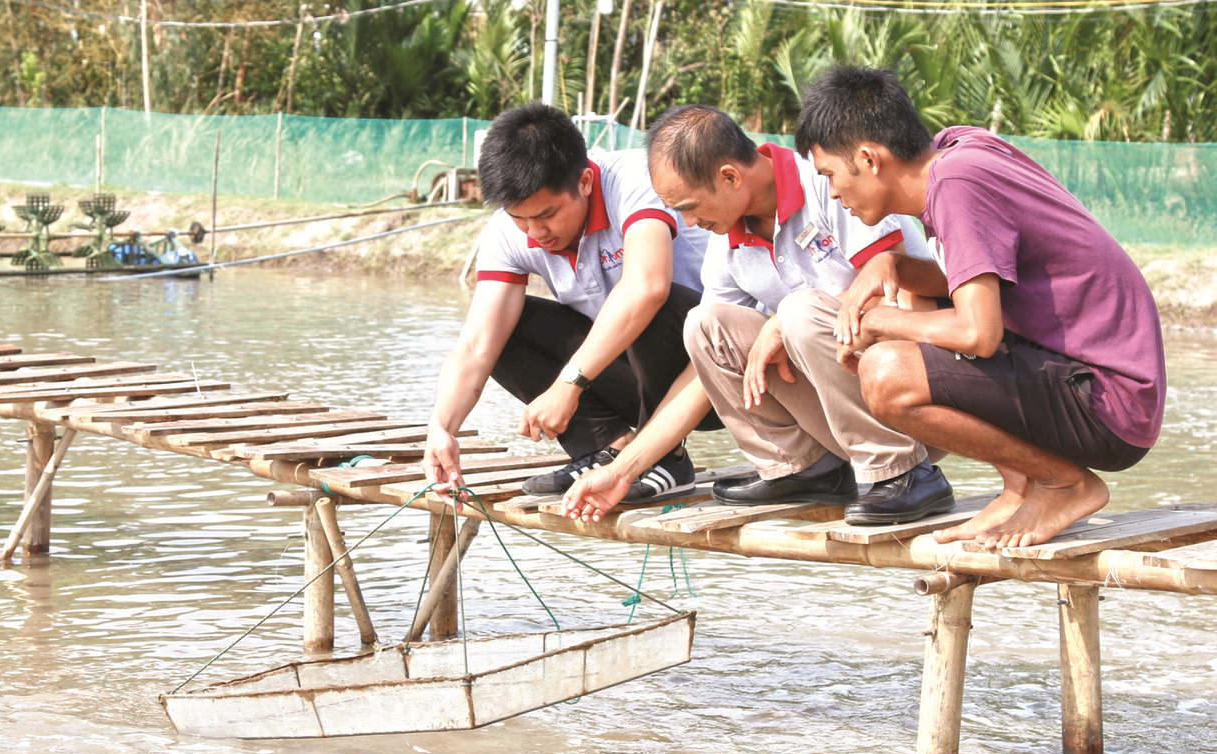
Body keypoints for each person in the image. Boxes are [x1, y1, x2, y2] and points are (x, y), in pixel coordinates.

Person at [794, 66, 1166, 549]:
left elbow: (978, 332)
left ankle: (1064, 483)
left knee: (887, 373)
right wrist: (895, 265)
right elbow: (982, 281)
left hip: (1111, 401)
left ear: (868, 158)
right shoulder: (958, 152)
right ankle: (1022, 485)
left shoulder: (955, 184)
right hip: (1102, 385)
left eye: (830, 175)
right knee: (894, 355)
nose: (834, 193)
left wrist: (881, 322)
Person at [564, 103, 954, 525]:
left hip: (916, 402)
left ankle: (906, 472)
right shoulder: (729, 239)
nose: (690, 222)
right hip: (846, 404)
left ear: (730, 176)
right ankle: (803, 467)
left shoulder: (831, 184)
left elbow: (898, 296)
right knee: (705, 326)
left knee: (798, 311)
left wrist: (782, 322)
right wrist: (622, 469)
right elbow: (700, 375)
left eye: (692, 206)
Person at [422, 101, 713, 504]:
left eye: (547, 215)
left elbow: (647, 287)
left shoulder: (634, 178)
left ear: (586, 182)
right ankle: (608, 447)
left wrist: (567, 385)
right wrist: (441, 427)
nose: (534, 233)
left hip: (715, 375)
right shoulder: (510, 231)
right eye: (519, 219)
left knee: (647, 299)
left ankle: (666, 457)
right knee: (507, 325)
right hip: (633, 375)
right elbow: (476, 345)